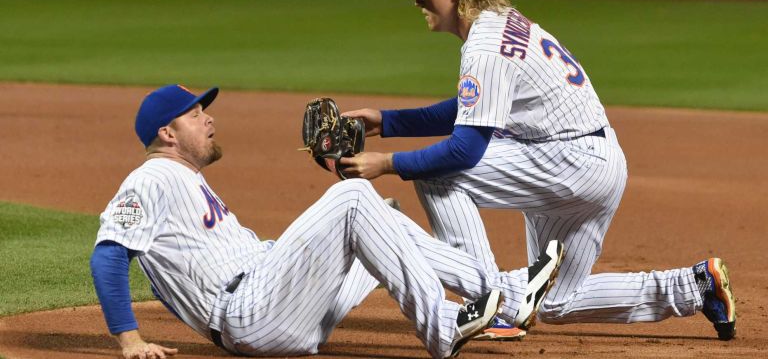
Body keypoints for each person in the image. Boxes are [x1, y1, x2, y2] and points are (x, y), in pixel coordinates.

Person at [340, 0, 736, 341]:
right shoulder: (504, 21)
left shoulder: (485, 47)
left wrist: (387, 163)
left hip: (567, 162)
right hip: (597, 163)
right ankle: (695, 287)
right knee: (556, 302)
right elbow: (474, 107)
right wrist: (387, 121)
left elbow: (465, 150)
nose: (417, 1)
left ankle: (488, 303)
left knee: (439, 174)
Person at [89, 84, 566, 359]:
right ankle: (442, 327)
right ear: (167, 133)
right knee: (356, 197)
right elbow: (108, 255)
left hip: (277, 305)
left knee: (382, 215)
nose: (209, 119)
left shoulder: (183, 179)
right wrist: (129, 341)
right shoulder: (152, 177)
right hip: (249, 317)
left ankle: (506, 296)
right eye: (195, 115)